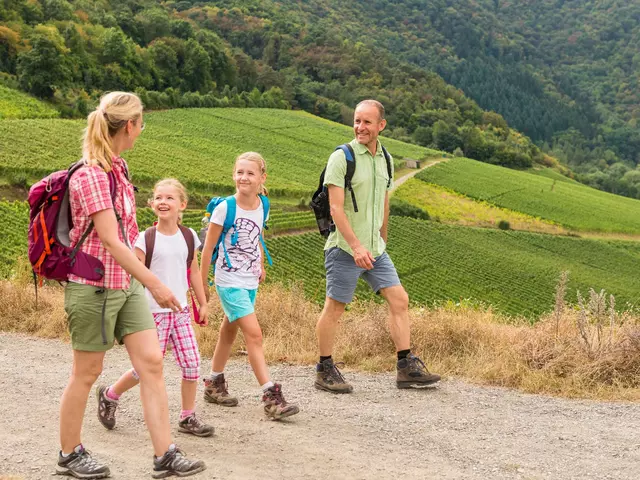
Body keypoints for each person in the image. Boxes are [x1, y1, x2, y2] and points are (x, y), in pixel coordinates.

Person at [57, 92, 205, 479]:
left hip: (126, 286)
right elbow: (110, 239)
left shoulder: (119, 168)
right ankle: (70, 454)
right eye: (141, 124)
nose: (141, 131)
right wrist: (155, 283)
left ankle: (165, 455)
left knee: (152, 364)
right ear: (129, 126)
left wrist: (143, 284)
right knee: (87, 373)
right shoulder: (90, 175)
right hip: (94, 288)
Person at [314, 99, 441, 393]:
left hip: (375, 248)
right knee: (335, 308)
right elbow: (335, 208)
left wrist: (382, 236)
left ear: (381, 125)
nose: (361, 127)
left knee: (399, 300)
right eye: (357, 121)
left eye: (367, 122)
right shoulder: (342, 158)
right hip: (345, 248)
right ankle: (324, 368)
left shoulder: (386, 158)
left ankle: (406, 366)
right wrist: (357, 246)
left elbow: (384, 198)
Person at [96, 178, 214, 438]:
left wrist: (203, 302)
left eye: (170, 198)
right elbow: (134, 274)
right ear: (151, 204)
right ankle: (110, 394)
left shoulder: (188, 236)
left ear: (182, 204)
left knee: (192, 365)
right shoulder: (144, 239)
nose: (163, 202)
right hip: (151, 314)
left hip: (180, 312)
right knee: (144, 369)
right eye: (159, 197)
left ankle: (187, 417)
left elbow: (192, 270)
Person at [200, 152, 299, 420]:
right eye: (239, 172)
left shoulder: (262, 204)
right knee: (254, 335)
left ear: (262, 178)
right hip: (229, 280)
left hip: (249, 278)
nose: (243, 177)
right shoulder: (224, 209)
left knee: (229, 331)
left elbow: (257, 234)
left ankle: (214, 382)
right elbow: (208, 248)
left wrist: (260, 265)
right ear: (234, 174)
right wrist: (202, 286)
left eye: (250, 173)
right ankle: (271, 396)